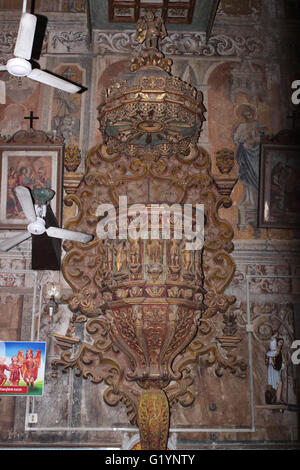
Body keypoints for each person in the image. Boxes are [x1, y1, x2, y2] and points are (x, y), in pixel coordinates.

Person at [266, 334, 285, 404]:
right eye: (280, 342)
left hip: (277, 370)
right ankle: (276, 399)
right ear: (276, 342)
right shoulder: (273, 350)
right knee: (277, 384)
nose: (281, 344)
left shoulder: (279, 352)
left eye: (282, 343)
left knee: (279, 384)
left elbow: (280, 363)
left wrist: (283, 365)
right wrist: (273, 337)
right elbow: (269, 353)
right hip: (272, 369)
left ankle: (277, 399)